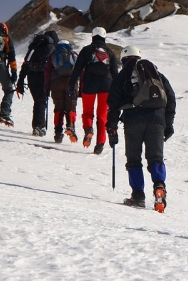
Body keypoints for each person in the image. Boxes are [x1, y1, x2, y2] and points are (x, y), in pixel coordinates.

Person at [106, 45, 176, 212]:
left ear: (124, 59)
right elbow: (171, 97)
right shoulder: (156, 73)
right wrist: (168, 123)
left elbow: (113, 103)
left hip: (133, 121)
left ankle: (138, 196)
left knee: (134, 159)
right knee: (156, 158)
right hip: (157, 120)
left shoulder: (123, 75)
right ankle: (159, 186)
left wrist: (112, 126)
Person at [67, 27, 119, 154]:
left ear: (93, 36)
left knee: (87, 112)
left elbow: (77, 69)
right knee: (102, 115)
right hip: (106, 85)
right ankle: (100, 143)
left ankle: (89, 130)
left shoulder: (86, 50)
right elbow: (115, 74)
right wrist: (118, 90)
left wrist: (71, 85)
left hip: (89, 84)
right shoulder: (110, 52)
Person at [15, 30, 59, 136]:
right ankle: (39, 127)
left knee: (38, 101)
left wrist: (20, 81)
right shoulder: (52, 47)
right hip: (44, 76)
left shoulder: (35, 46)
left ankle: (38, 125)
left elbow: (26, 63)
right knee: (41, 101)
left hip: (31, 75)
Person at [44, 40, 79, 143]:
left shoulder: (53, 55)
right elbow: (80, 70)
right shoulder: (74, 54)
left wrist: (46, 87)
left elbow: (47, 72)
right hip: (71, 82)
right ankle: (70, 126)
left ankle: (58, 133)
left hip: (56, 83)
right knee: (71, 106)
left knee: (59, 107)